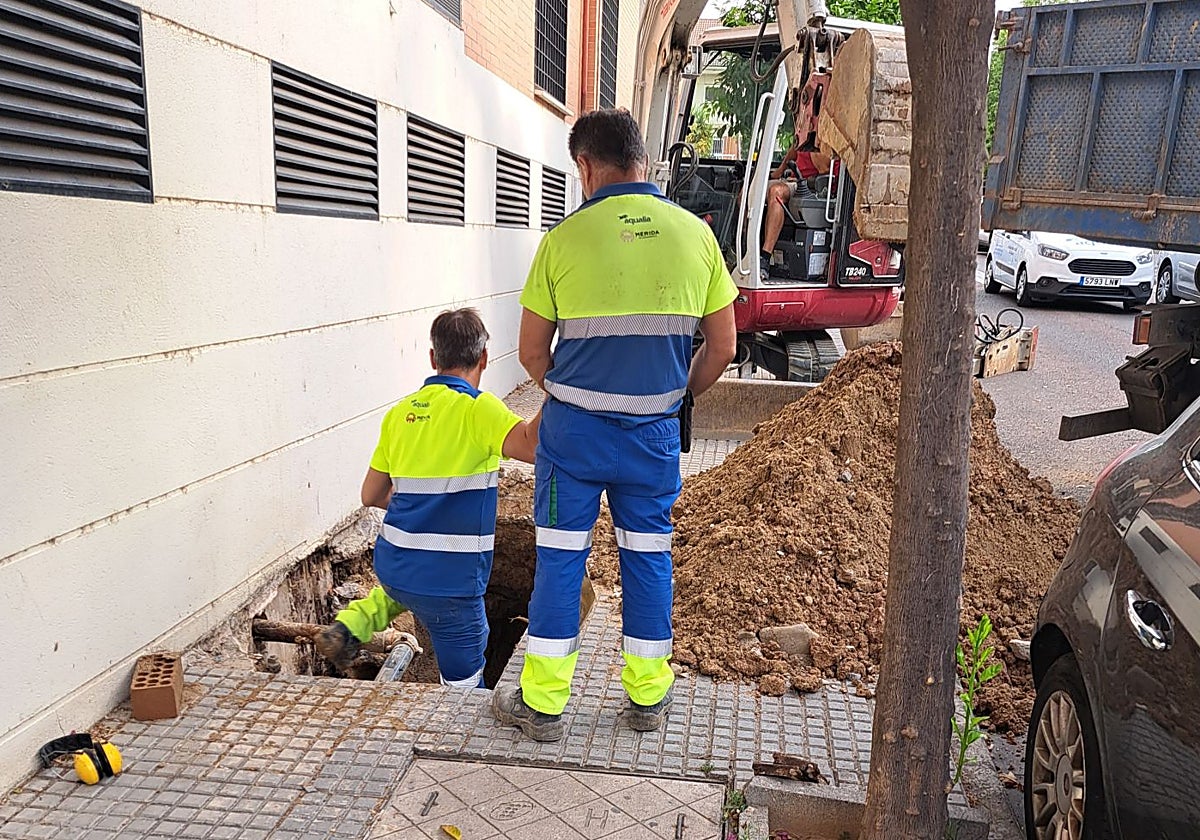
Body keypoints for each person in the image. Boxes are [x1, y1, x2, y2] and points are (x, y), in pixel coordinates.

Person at [490, 108, 738, 742]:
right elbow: (722, 349)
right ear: (643, 162)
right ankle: (648, 697)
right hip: (653, 437)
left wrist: (575, 398)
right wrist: (671, 397)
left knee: (561, 560)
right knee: (649, 558)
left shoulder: (562, 240)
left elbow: (531, 354)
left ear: (584, 166)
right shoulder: (696, 236)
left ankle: (544, 705)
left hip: (571, 437)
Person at [315, 309, 540, 688]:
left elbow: (371, 494)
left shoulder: (399, 414)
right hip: (452, 582)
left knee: (399, 593)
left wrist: (417, 509)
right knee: (464, 680)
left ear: (433, 359)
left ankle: (349, 628)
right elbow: (533, 446)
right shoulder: (477, 409)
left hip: (396, 564)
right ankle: (460, 704)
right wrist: (560, 386)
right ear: (483, 358)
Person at [761, 132, 832, 280]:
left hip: (809, 186)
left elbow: (825, 169)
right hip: (791, 179)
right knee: (749, 189)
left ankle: (764, 259)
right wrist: (779, 171)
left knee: (776, 192)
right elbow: (794, 150)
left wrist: (815, 145)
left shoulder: (827, 141)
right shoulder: (806, 136)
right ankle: (742, 251)